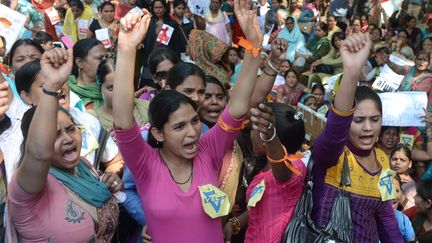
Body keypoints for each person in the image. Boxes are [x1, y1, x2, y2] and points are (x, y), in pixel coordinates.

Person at [112, 1, 263, 241]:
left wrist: (254, 45)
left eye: (193, 121)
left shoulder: (209, 149)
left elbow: (237, 107)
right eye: (179, 127)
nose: (192, 132)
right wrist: (127, 49)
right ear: (159, 133)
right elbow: (122, 122)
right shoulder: (144, 163)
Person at [8, 47, 120, 243]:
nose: (68, 139)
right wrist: (51, 86)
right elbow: (39, 155)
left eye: (71, 129)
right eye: (54, 134)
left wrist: (111, 179)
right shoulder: (29, 184)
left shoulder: (84, 166)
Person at [312, 32, 403, 242]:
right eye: (359, 120)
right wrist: (352, 73)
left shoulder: (382, 159)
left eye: (375, 119)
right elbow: (335, 133)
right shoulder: (331, 154)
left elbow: (387, 220)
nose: (368, 128)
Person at [15, 59, 124, 175]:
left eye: (61, 81)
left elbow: (114, 161)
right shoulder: (17, 137)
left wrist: (108, 179)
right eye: (47, 85)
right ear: (26, 96)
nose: (58, 88)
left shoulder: (87, 120)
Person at [239, 103, 307, 242]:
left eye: (253, 129)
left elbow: (281, 174)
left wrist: (270, 136)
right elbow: (258, 207)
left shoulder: (294, 167)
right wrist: (234, 224)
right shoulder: (263, 166)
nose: (250, 132)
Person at [90, 59, 149, 130]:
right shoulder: (95, 121)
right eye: (111, 88)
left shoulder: (147, 107)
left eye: (123, 85)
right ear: (100, 88)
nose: (118, 93)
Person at [139, 0, 186, 70]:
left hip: (167, 61)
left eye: (160, 7)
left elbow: (177, 45)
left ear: (165, 8)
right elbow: (143, 39)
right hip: (149, 61)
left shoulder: (172, 23)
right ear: (153, 8)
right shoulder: (149, 22)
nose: (158, 10)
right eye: (156, 7)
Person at [68, 38, 107, 110]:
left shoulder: (113, 88)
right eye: (100, 58)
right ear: (79, 63)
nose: (106, 62)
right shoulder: (66, 93)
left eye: (107, 57)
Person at [390, 144, 417, 210]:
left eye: (402, 160)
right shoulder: (384, 176)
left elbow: (410, 211)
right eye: (394, 159)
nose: (397, 162)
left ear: (410, 164)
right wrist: (395, 178)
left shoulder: (410, 184)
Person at [392, 175, 416, 242]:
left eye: (397, 191)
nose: (393, 197)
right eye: (387, 191)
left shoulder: (403, 219)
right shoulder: (365, 220)